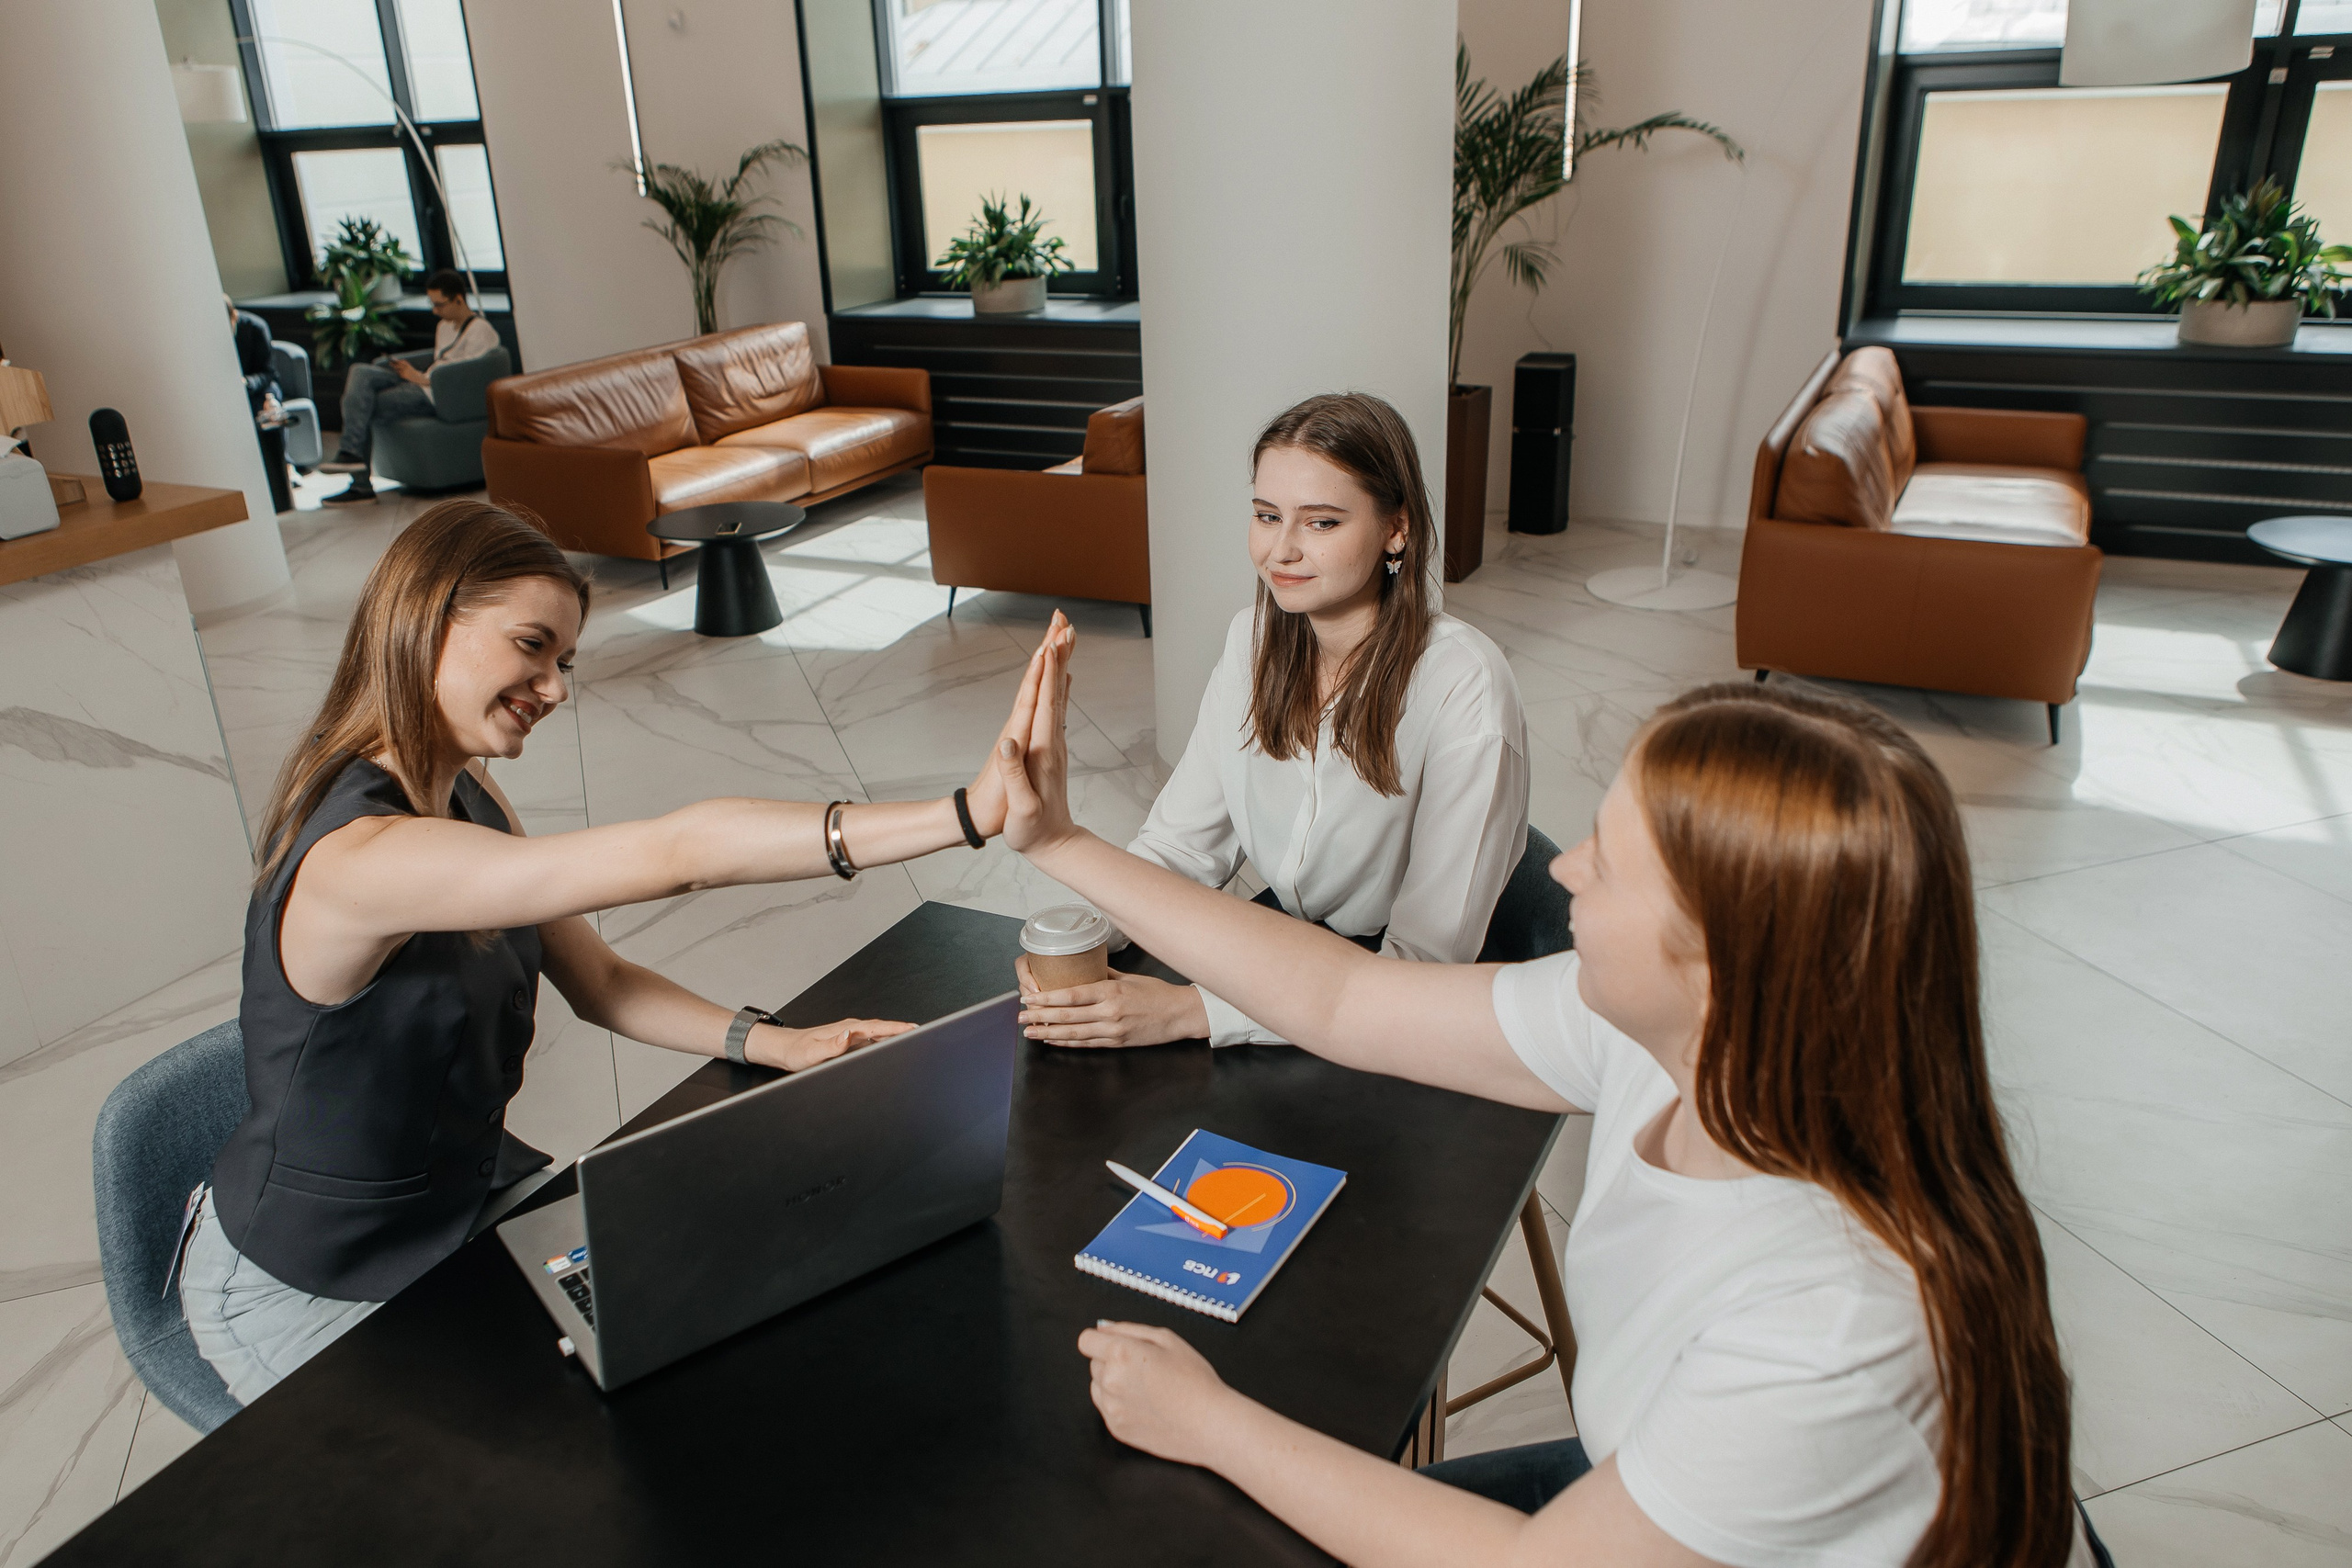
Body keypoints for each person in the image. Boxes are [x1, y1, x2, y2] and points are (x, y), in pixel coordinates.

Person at [993, 647, 2110, 1568]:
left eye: (1610, 865)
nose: (1563, 869)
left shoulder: (1831, 1321)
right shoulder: (1662, 1037)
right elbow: (1343, 995)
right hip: (1638, 1491)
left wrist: (1213, 1422)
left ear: (1722, 963)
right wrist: (1062, 843)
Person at [178, 499, 1072, 1404]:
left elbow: (598, 981)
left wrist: (777, 1042)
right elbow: (676, 853)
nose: (557, 686)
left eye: (563, 660)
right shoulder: (358, 860)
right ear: (427, 615)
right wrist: (961, 815)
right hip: (306, 1281)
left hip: (460, 1216)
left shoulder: (468, 797)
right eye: (532, 645)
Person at [1013, 392, 1527, 1049]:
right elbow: (1181, 847)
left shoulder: (1466, 685)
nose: (1280, 550)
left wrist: (1194, 1010)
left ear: (1396, 528)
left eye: (1321, 523)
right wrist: (1077, 937)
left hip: (1416, 1013)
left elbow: (1420, 971)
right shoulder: (1252, 640)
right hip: (1294, 954)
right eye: (1266, 515)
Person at [319, 268, 502, 507]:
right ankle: (350, 454)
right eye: (432, 305)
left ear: (459, 299)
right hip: (424, 381)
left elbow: (463, 381)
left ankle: (359, 482)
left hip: (438, 394)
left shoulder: (481, 331)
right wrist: (411, 374)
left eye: (440, 305)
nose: (436, 312)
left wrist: (418, 378)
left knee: (363, 403)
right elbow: (439, 362)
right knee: (360, 373)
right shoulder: (444, 327)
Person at [226, 294, 291, 515]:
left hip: (260, 386)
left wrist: (246, 383)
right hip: (229, 391)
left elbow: (269, 373)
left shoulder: (255, 327)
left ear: (234, 315)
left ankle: (282, 464)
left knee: (268, 410)